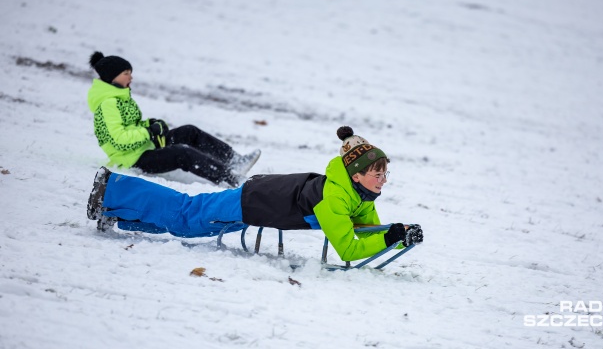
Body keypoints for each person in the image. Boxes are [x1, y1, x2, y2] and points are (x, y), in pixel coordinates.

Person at [87, 126, 423, 261]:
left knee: (190, 221)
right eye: (378, 174)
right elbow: (348, 248)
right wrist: (388, 237)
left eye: (384, 174)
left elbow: (367, 231)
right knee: (186, 217)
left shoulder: (356, 194)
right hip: (254, 201)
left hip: (261, 200)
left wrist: (399, 235)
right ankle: (112, 189)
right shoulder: (334, 198)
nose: (383, 180)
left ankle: (116, 212)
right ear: (359, 174)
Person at [87, 51, 260, 188]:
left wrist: (151, 124)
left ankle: (235, 161)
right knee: (182, 152)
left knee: (189, 132)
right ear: (112, 76)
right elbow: (119, 140)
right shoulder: (108, 104)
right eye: (126, 73)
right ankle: (230, 178)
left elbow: (131, 126)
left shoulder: (119, 98)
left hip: (143, 147)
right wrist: (148, 132)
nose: (130, 77)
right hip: (133, 159)